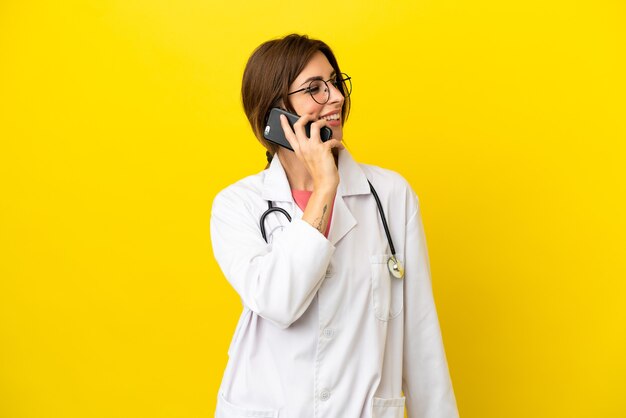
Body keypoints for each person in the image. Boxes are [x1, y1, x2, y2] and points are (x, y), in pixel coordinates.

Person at [210, 34, 459, 418]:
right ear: (276, 114)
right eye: (315, 89)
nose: (337, 98)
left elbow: (421, 340)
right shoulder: (237, 205)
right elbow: (280, 301)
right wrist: (326, 185)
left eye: (336, 83)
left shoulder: (391, 195)